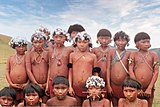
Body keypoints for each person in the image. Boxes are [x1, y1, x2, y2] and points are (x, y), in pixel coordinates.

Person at [129, 32, 159, 107]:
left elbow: (156, 72)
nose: (146, 44)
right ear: (137, 44)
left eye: (148, 41)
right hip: (135, 87)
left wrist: (149, 88)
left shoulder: (153, 55)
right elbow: (130, 70)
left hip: (149, 87)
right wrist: (137, 87)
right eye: (143, 42)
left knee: (148, 104)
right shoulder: (133, 55)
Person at [68, 31, 98, 106]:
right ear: (76, 43)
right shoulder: (72, 55)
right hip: (75, 87)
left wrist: (96, 88)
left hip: (89, 88)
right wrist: (70, 86)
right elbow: (70, 72)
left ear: (89, 43)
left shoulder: (93, 56)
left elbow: (95, 73)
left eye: (84, 42)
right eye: (79, 42)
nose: (82, 44)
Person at [45, 28, 73, 97]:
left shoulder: (69, 50)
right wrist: (47, 84)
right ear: (53, 38)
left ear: (65, 38)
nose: (58, 39)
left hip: (64, 81)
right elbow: (50, 68)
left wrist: (70, 85)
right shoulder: (50, 50)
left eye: (61, 37)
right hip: (52, 80)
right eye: (56, 37)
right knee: (53, 100)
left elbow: (70, 70)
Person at [106, 31, 130, 107]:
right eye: (118, 40)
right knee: (115, 104)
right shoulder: (111, 52)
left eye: (123, 40)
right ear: (115, 41)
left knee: (124, 104)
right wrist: (109, 85)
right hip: (113, 85)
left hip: (125, 85)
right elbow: (108, 69)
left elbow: (131, 70)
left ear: (127, 42)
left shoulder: (130, 53)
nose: (121, 43)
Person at [26, 32, 49, 102]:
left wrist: (47, 83)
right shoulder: (29, 54)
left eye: (40, 42)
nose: (38, 44)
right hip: (33, 85)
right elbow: (28, 70)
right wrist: (36, 84)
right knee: (33, 102)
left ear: (44, 42)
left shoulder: (48, 53)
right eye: (35, 42)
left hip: (46, 85)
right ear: (32, 43)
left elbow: (50, 69)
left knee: (45, 102)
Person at [6, 37, 29, 105]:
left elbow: (31, 71)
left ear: (26, 47)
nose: (21, 48)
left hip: (25, 86)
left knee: (25, 102)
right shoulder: (11, 58)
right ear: (14, 47)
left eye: (23, 46)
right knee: (14, 102)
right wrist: (11, 83)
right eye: (18, 46)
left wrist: (27, 83)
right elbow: (7, 71)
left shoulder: (28, 57)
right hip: (13, 86)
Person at [92, 29, 112, 93]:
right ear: (98, 39)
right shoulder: (94, 50)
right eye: (102, 38)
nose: (104, 40)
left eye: (106, 38)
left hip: (110, 79)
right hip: (97, 77)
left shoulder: (113, 50)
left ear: (110, 39)